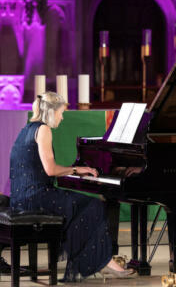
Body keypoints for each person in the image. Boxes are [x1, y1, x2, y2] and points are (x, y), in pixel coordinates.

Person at [9, 91, 135, 282]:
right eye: (61, 112)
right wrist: (77, 169)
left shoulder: (26, 128)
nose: (62, 116)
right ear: (51, 112)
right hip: (35, 198)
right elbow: (50, 170)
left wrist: (75, 170)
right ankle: (104, 262)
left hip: (23, 197)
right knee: (93, 205)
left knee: (81, 206)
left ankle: (98, 261)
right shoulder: (43, 130)